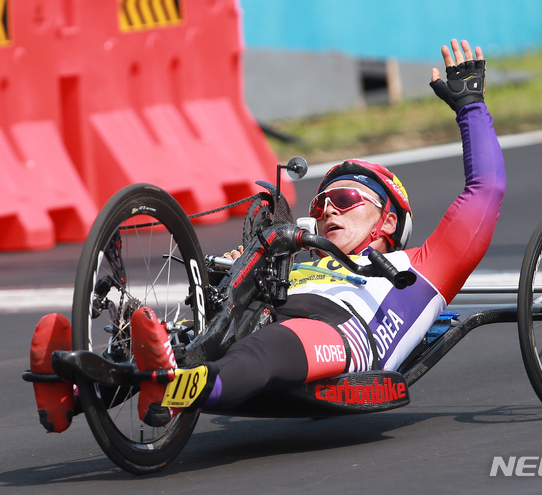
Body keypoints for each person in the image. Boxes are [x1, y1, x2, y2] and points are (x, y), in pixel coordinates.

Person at [30, 39, 506, 430]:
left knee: (269, 347)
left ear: (387, 222)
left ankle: (172, 388)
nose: (325, 213)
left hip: (342, 336)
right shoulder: (299, 252)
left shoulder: (418, 268)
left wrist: (471, 107)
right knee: (191, 332)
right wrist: (239, 263)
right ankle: (69, 393)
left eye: (344, 202)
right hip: (264, 319)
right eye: (320, 205)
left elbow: (486, 192)